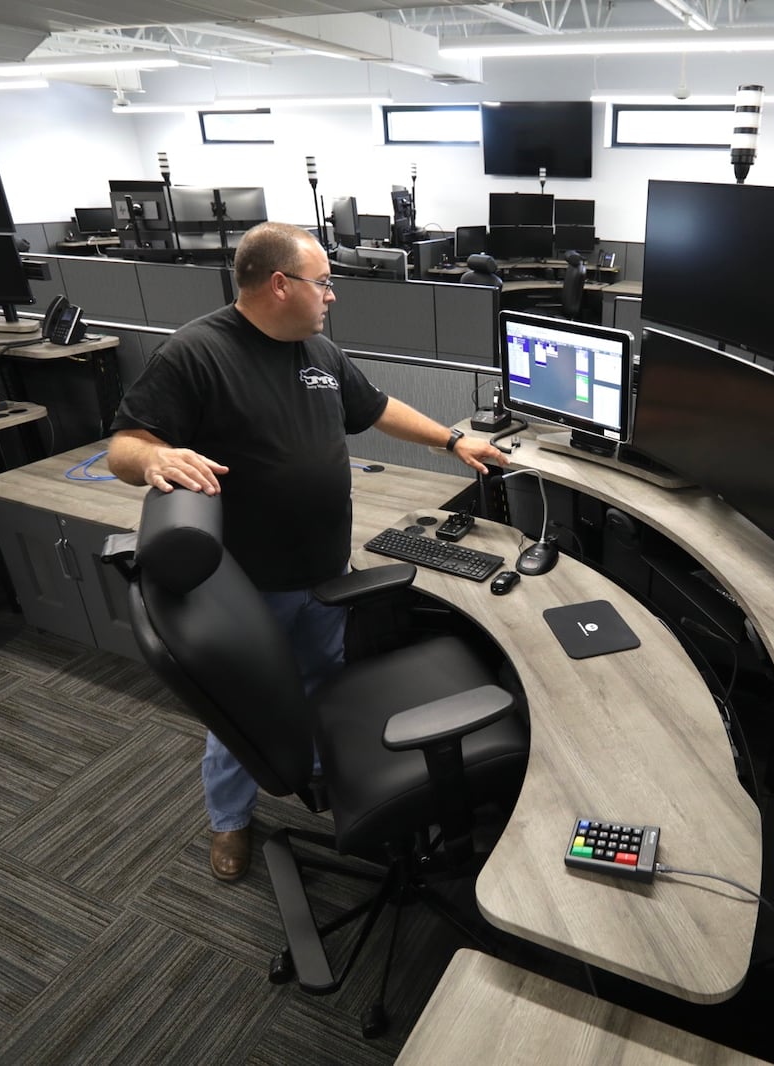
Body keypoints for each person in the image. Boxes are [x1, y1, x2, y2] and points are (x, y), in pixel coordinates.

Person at [108, 221, 508, 882]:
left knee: (320, 684)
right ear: (278, 284)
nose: (332, 295)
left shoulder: (317, 351)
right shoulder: (197, 354)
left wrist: (450, 441)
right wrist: (156, 454)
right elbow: (124, 446)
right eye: (322, 283)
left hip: (324, 571)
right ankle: (230, 821)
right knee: (247, 716)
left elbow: (376, 408)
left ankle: (329, 781)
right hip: (246, 587)